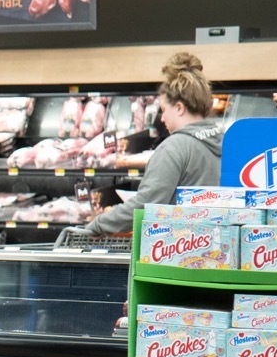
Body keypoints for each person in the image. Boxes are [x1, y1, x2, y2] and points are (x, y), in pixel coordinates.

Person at [83, 52, 223, 235]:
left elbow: (146, 204)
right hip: (219, 249)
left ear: (179, 108)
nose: (163, 118)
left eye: (164, 110)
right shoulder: (225, 140)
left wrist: (97, 225)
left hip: (179, 249)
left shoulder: (175, 147)